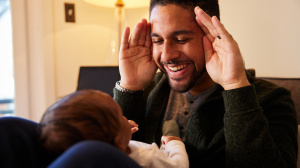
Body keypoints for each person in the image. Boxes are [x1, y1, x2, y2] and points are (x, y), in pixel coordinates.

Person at [113, 0, 298, 167]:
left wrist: (235, 86)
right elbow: (109, 155)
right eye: (157, 40)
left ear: (211, 33)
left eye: (182, 39)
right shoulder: (145, 90)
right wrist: (130, 87)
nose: (167, 55)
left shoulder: (273, 100)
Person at [38, 89, 189, 168]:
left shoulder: (111, 149)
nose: (125, 117)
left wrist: (121, 131)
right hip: (165, 154)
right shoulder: (146, 158)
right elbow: (179, 166)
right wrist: (174, 143)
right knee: (170, 131)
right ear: (117, 142)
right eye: (119, 115)